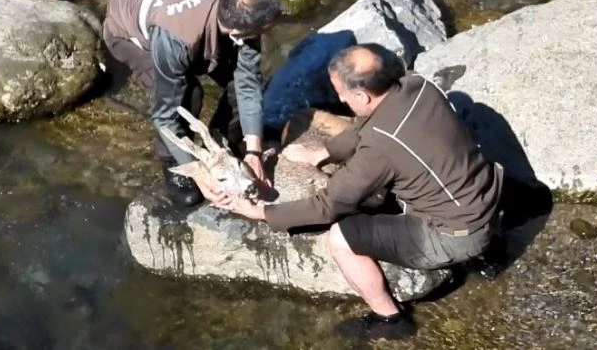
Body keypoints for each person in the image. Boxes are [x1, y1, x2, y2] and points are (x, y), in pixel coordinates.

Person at [212, 43, 503, 340]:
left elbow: (329, 205)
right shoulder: (417, 86)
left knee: (342, 238)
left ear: (362, 95)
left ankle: (389, 319)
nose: (338, 97)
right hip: (489, 198)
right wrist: (325, 152)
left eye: (340, 92)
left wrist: (261, 212)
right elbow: (368, 125)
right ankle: (489, 254)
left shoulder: (378, 149)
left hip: (456, 235)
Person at [102, 0, 282, 207]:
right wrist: (199, 173)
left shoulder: (247, 2)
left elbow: (247, 84)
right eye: (265, 30)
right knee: (187, 96)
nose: (269, 32)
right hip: (129, 30)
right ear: (238, 33)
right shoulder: (175, 36)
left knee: (240, 85)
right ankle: (173, 161)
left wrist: (254, 151)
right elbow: (165, 116)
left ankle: (223, 142)